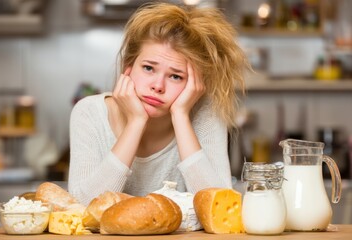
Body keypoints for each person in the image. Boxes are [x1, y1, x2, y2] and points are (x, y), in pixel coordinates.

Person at [68, 2, 249, 205]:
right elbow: (81, 207)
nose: (158, 86)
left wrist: (181, 116)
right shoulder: (89, 112)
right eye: (148, 68)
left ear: (195, 84)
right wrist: (136, 122)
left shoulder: (206, 115)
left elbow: (221, 207)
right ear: (129, 66)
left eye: (175, 76)